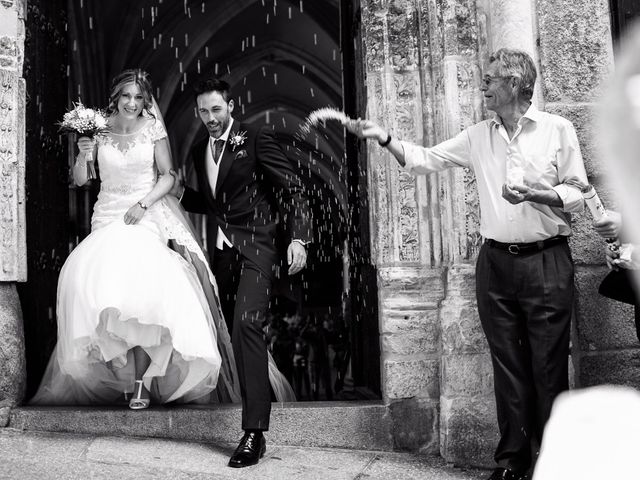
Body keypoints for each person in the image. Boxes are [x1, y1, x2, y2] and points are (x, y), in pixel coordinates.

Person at [345, 49, 588, 480]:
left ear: (515, 84)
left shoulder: (558, 129)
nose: (484, 86)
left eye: (491, 79)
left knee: (548, 367)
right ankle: (513, 462)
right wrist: (384, 137)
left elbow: (577, 191)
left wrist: (539, 193)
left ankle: (557, 463)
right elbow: (426, 159)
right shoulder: (479, 135)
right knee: (507, 367)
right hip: (495, 265)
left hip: (547, 261)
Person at [31, 69, 240, 409]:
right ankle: (123, 375)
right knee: (102, 292)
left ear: (145, 101)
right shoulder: (98, 129)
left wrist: (143, 204)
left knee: (143, 297)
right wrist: (84, 153)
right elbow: (81, 180)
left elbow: (168, 176)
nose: (132, 103)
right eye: (127, 96)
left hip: (144, 215)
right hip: (107, 214)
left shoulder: (152, 128)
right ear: (116, 97)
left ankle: (141, 382)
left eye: (139, 97)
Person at [173, 77, 312, 468]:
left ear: (230, 106)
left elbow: (294, 189)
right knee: (232, 334)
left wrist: (298, 238)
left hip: (259, 250)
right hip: (223, 256)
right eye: (203, 111)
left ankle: (254, 433)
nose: (210, 118)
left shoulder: (255, 138)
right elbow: (215, 204)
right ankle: (250, 407)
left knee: (248, 325)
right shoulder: (201, 149)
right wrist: (179, 192)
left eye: (216, 109)